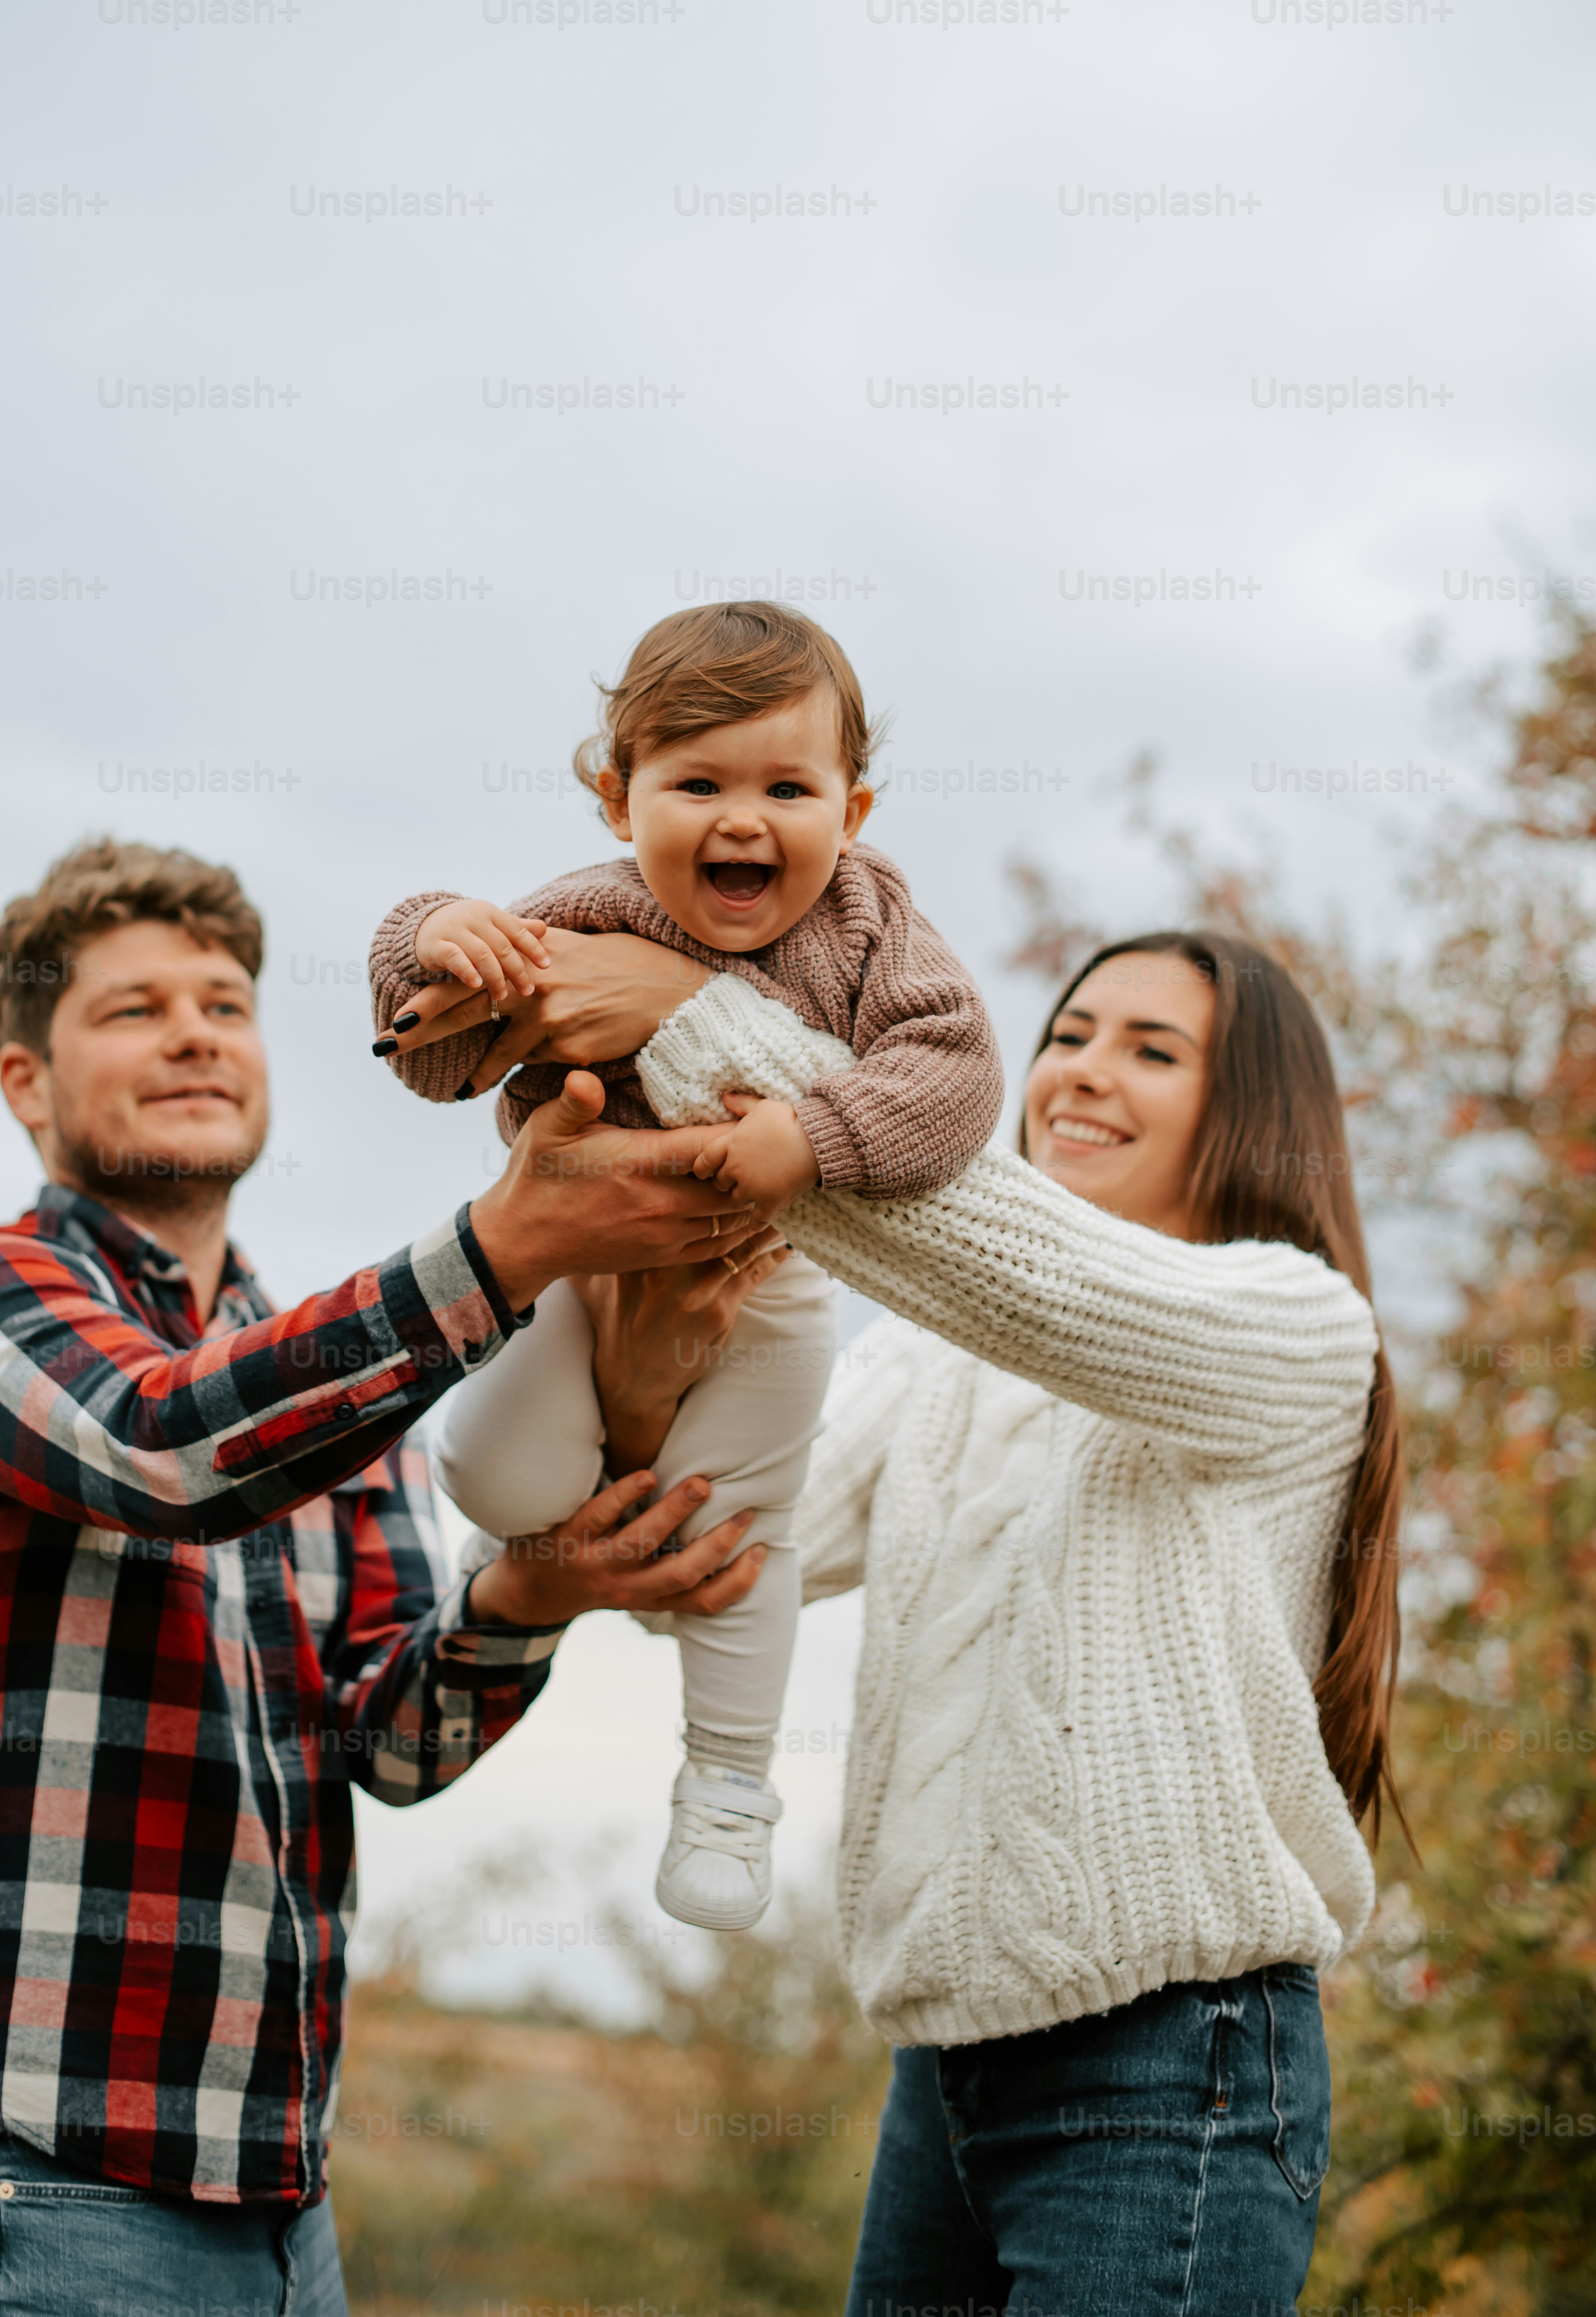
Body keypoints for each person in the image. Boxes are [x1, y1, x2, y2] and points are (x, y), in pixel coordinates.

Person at [384, 923, 1402, 2308]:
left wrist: (697, 1015)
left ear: (1253, 1115)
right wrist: (638, 1379)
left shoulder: (1297, 1328)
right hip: (943, 2072)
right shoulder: (931, 1365)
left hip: (1176, 2065)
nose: (1082, 1074)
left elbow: (1002, 1252)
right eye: (1070, 1035)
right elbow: (720, 1559)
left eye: (1153, 1052)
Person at [0, 836, 779, 2317]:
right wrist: (513, 1242)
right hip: (28, 2158)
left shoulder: (345, 1379)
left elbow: (386, 1743)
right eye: (132, 1008)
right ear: (27, 1084)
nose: (196, 1030)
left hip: (283, 2198)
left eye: (224, 1001)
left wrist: (529, 1597)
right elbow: (165, 1447)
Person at [367, 602, 1003, 1930]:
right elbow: (432, 1059)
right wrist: (432, 934)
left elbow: (955, 1081)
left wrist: (814, 1134)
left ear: (856, 805)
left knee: (738, 1538)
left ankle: (727, 1785)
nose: (743, 820)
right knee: (495, 1470)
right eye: (696, 782)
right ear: (618, 799)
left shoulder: (876, 925)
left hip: (765, 1286)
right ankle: (565, 1513)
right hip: (577, 1268)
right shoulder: (587, 913)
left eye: (788, 786)